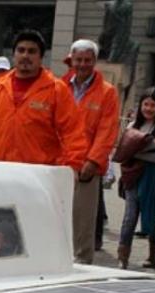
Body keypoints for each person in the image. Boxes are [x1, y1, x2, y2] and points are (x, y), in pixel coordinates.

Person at [0, 29, 86, 171]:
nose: (25, 55)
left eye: (32, 51)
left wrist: (73, 167)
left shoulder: (56, 90)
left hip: (38, 175)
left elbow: (73, 133)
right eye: (21, 50)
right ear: (14, 55)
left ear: (41, 57)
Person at [61, 39, 120, 264]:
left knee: (83, 222)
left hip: (87, 168)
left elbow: (107, 131)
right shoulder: (61, 86)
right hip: (60, 164)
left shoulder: (107, 93)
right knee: (57, 218)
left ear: (94, 62)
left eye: (87, 60)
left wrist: (93, 161)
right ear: (71, 60)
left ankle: (82, 264)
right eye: (78, 60)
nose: (82, 64)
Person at [117, 89, 155, 269]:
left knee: (150, 216)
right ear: (140, 106)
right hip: (133, 176)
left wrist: (140, 154)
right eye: (146, 104)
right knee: (130, 216)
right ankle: (123, 257)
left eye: (153, 105)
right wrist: (149, 148)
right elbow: (123, 152)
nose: (149, 108)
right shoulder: (132, 126)